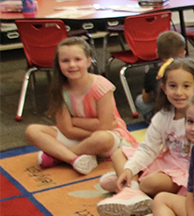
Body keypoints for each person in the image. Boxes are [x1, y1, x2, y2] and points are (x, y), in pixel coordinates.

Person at [95, 59, 194, 216]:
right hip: (166, 161)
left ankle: (130, 186)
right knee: (119, 155)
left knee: (150, 183)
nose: (179, 92)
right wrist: (129, 169)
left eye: (186, 86)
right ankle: (131, 189)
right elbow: (148, 149)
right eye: (173, 86)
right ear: (164, 88)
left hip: (189, 171)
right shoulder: (163, 116)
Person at [25, 37, 138, 175]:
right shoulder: (60, 88)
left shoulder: (100, 85)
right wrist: (89, 131)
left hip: (107, 138)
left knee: (102, 138)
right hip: (80, 137)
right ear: (58, 64)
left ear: (88, 61)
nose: (72, 65)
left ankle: (60, 156)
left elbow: (105, 126)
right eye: (65, 61)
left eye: (77, 59)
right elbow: (66, 130)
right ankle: (74, 158)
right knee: (33, 130)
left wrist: (74, 121)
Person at [135, 31, 186, 121]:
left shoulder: (152, 73)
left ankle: (152, 120)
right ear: (183, 53)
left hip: (164, 111)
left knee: (139, 100)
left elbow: (146, 99)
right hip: (186, 110)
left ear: (157, 53)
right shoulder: (188, 70)